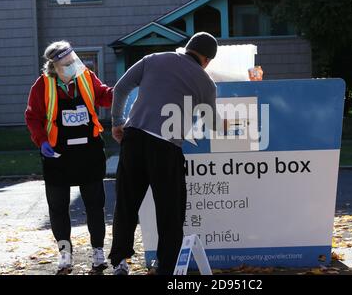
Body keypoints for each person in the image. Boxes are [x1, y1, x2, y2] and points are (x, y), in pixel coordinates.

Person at [109, 32, 219, 275]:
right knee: (170, 210)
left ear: (186, 48)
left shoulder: (154, 59)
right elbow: (211, 122)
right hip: (166, 147)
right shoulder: (206, 82)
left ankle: (119, 261)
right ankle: (165, 266)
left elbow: (121, 87)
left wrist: (117, 121)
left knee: (126, 202)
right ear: (208, 60)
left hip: (134, 138)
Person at [25, 41, 113, 275]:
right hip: (58, 155)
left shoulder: (86, 76)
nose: (74, 65)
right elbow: (33, 117)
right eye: (67, 63)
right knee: (58, 208)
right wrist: (42, 140)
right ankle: (65, 255)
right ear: (54, 67)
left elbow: (104, 95)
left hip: (89, 152)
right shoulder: (41, 86)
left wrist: (122, 92)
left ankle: (98, 253)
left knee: (95, 205)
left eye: (74, 60)